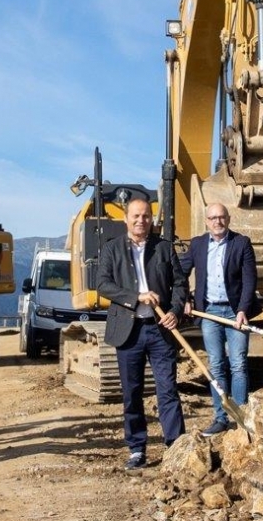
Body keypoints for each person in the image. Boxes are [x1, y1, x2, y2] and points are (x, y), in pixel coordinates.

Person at [96, 197, 187, 470]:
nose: (141, 221)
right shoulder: (112, 249)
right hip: (129, 331)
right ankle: (137, 448)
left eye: (146, 216)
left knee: (168, 390)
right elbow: (102, 284)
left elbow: (180, 285)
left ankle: (176, 447)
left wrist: (175, 310)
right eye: (136, 216)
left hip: (160, 331)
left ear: (152, 219)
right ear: (126, 219)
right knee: (132, 392)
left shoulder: (164, 248)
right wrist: (136, 297)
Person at [180, 203, 261, 436]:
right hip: (210, 313)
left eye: (221, 217)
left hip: (236, 313)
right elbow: (180, 273)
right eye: (213, 218)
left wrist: (243, 310)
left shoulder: (241, 243)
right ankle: (221, 417)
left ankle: (240, 417)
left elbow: (249, 280)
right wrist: (185, 298)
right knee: (216, 365)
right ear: (206, 221)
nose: (217, 221)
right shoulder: (197, 245)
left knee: (238, 364)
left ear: (228, 218)